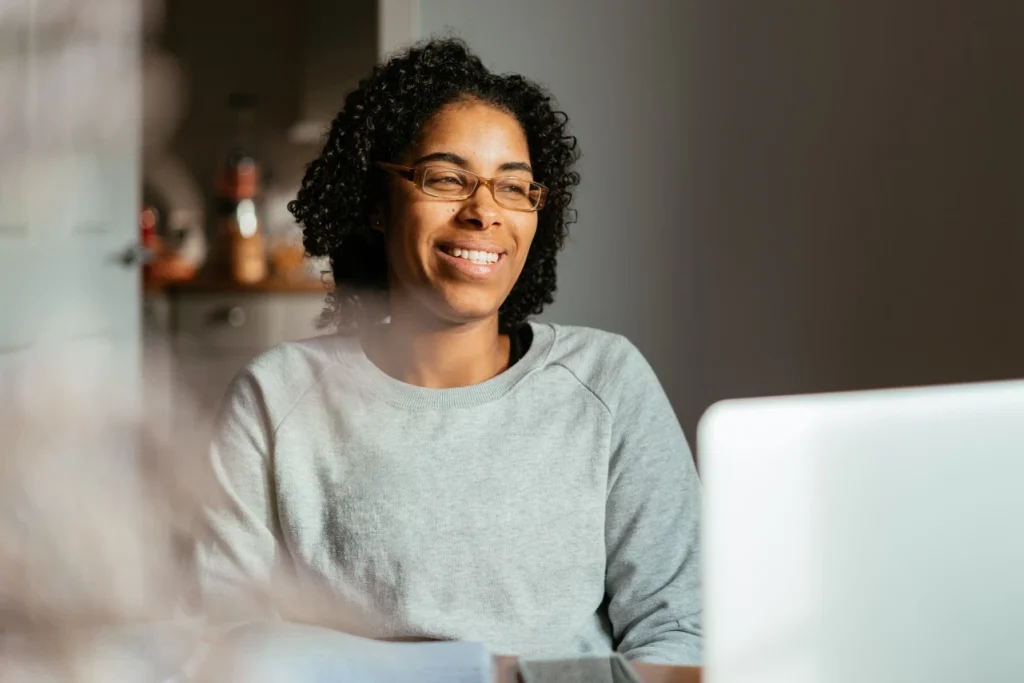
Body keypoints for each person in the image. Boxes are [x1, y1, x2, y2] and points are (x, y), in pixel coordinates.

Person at [195, 37, 703, 665]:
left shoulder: (609, 382)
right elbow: (227, 642)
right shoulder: (274, 400)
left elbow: (681, 634)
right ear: (378, 204)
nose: (484, 211)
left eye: (514, 188)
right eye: (445, 178)